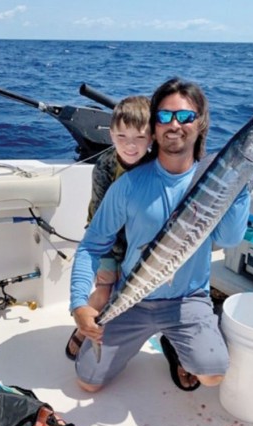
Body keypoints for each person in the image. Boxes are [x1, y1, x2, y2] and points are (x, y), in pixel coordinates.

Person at [69, 77, 251, 393]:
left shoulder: (216, 181)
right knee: (87, 382)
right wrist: (78, 304)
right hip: (133, 298)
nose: (174, 124)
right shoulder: (128, 185)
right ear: (154, 126)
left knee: (212, 374)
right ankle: (152, 337)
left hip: (187, 300)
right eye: (165, 116)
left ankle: (174, 342)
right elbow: (91, 245)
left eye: (185, 116)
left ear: (201, 121)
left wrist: (241, 182)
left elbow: (231, 239)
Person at [66, 95, 153, 360]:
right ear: (111, 134)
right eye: (121, 136)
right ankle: (82, 331)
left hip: (138, 243)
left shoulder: (156, 166)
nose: (130, 145)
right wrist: (116, 260)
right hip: (106, 243)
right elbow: (101, 222)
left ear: (152, 139)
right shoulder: (104, 166)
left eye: (139, 137)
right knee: (104, 292)